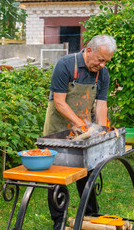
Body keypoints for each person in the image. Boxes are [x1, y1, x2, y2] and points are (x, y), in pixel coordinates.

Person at [43, 34, 117, 230]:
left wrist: (101, 132)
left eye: (106, 61)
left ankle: (90, 215)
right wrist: (81, 125)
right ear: (89, 50)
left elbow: (101, 105)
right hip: (57, 129)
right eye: (100, 59)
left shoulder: (103, 73)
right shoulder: (66, 64)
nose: (102, 64)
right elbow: (59, 102)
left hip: (83, 131)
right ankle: (59, 220)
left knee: (88, 172)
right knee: (57, 177)